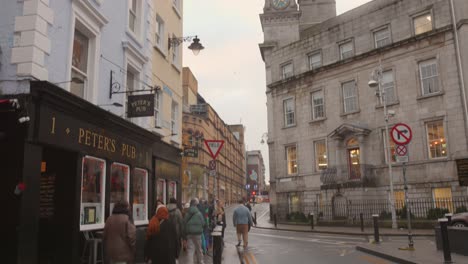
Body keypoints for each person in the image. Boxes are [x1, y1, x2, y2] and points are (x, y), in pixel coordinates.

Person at [103, 200, 136, 264]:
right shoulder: (127, 219)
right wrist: (133, 249)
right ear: (126, 208)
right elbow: (132, 237)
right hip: (123, 254)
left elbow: (104, 236)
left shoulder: (109, 219)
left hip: (111, 254)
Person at [183, 198, 206, 264]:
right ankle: (200, 262)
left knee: (190, 250)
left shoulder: (187, 213)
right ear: (196, 205)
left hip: (189, 234)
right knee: (199, 249)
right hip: (198, 234)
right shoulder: (199, 213)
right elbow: (203, 223)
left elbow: (184, 223)